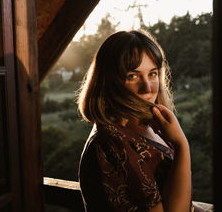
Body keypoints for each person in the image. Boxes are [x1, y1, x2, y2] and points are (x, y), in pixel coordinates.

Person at [77, 30, 203, 212]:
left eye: (152, 74)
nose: (148, 88)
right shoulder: (111, 142)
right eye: (132, 76)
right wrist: (182, 145)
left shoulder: (148, 126)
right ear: (109, 81)